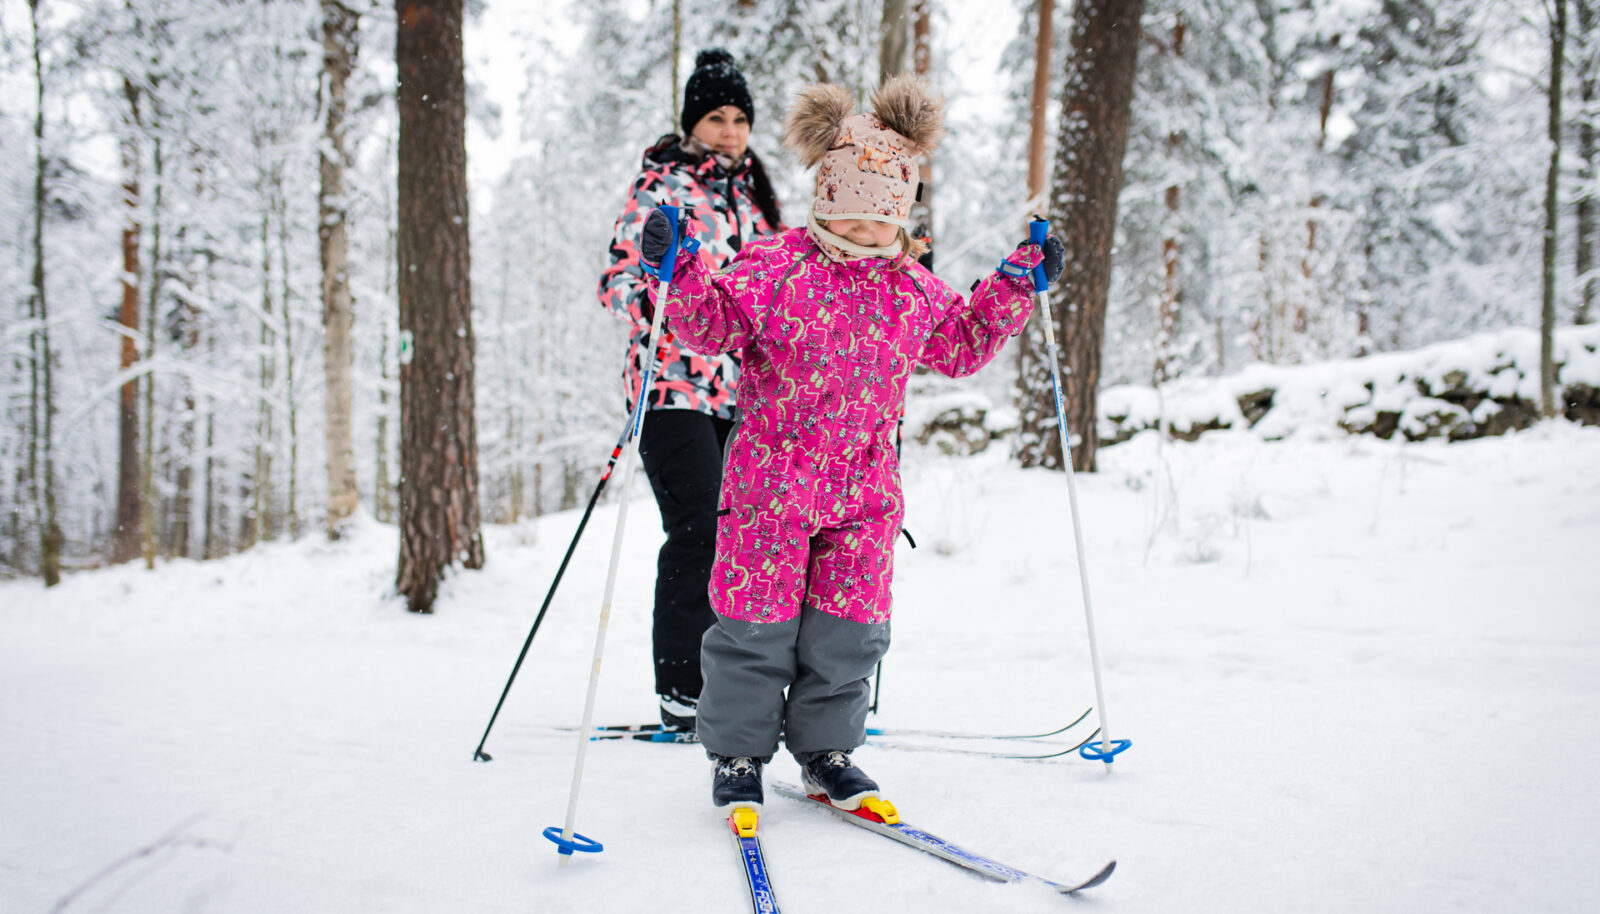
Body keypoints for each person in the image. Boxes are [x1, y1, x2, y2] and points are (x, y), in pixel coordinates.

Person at [638, 76, 1066, 812]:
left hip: (863, 492)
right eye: (852, 213)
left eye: (883, 216)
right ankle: (737, 753)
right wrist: (678, 271)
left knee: (848, 630)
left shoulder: (912, 287)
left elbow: (961, 345)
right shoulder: (776, 265)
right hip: (769, 485)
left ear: (902, 211)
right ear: (825, 200)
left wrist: (1014, 286)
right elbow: (710, 325)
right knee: (753, 626)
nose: (867, 230)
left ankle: (827, 750)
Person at [598, 49, 783, 733]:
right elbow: (617, 282)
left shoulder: (756, 199)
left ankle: (738, 684)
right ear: (691, 124)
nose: (730, 132)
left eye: (740, 119)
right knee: (700, 525)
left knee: (742, 535)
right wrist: (655, 290)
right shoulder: (661, 187)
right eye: (716, 118)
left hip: (741, 393)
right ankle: (683, 687)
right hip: (672, 386)